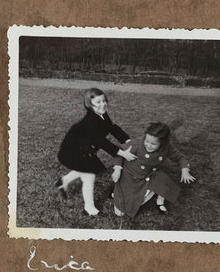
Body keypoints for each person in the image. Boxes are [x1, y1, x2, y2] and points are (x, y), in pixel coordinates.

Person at [55, 88, 137, 216]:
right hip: (72, 151)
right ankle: (89, 208)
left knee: (86, 170)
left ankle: (64, 181)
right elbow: (101, 142)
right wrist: (122, 153)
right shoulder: (91, 120)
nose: (103, 104)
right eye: (98, 102)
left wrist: (127, 141)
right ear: (89, 104)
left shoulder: (102, 114)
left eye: (104, 101)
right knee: (89, 175)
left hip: (85, 150)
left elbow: (112, 128)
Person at [111, 122, 195, 218]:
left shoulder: (167, 147)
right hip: (131, 176)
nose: (149, 145)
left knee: (163, 181)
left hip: (149, 174)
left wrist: (185, 170)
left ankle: (159, 201)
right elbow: (119, 152)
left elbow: (180, 157)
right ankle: (120, 192)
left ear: (162, 143)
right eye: (147, 141)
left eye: (153, 144)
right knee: (120, 213)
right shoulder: (138, 143)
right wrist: (117, 169)